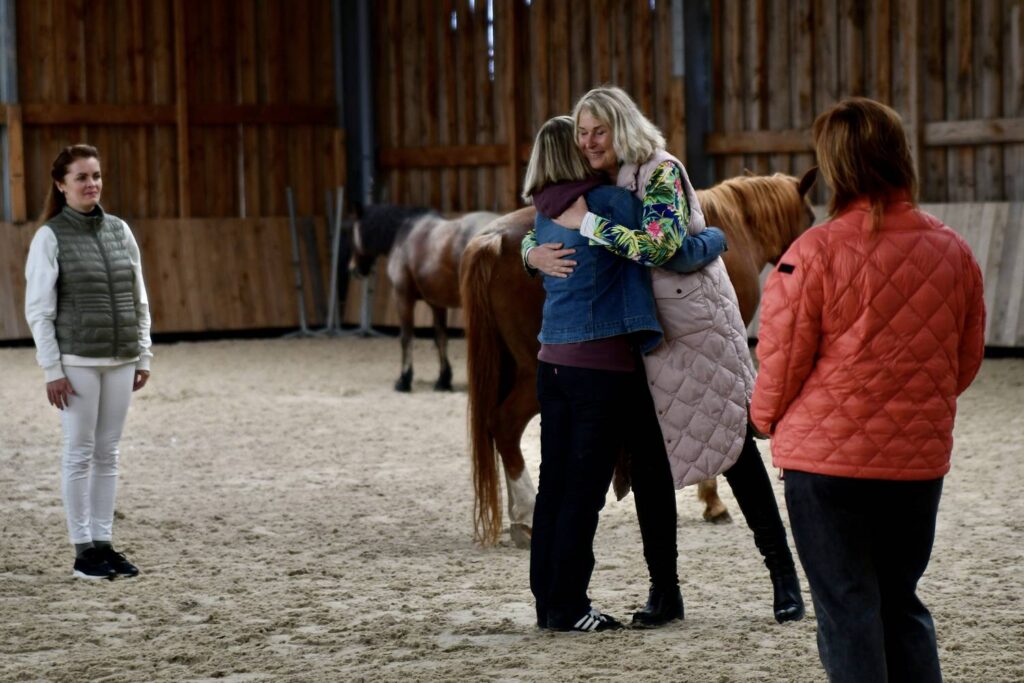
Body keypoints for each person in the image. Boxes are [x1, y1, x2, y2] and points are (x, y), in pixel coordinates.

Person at [524, 86, 804, 627]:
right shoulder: (600, 180)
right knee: (651, 466)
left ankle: (783, 578)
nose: (588, 142)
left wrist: (593, 226)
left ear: (622, 126)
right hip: (641, 342)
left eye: (598, 131)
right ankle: (665, 592)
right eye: (581, 133)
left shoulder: (661, 172)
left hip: (693, 333)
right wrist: (529, 254)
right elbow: (546, 217)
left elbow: (660, 247)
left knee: (734, 449)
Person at [750, 97, 985, 682]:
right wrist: (914, 405)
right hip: (915, 465)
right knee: (901, 603)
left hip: (826, 471)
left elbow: (779, 366)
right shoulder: (955, 251)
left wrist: (763, 420)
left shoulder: (811, 253)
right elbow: (965, 361)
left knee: (847, 611)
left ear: (836, 167)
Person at [524, 116, 726, 632]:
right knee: (585, 494)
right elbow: (669, 250)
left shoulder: (544, 213)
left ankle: (548, 602)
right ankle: (570, 607)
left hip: (552, 362)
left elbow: (531, 242)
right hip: (600, 367)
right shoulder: (611, 204)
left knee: (553, 487)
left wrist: (529, 253)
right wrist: (717, 239)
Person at [25, 144, 153, 580]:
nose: (91, 184)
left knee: (108, 453)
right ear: (61, 185)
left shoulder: (120, 230)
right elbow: (39, 310)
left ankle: (104, 543)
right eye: (81, 177)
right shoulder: (50, 237)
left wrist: (143, 351)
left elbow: (139, 297)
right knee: (79, 453)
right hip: (77, 360)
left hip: (120, 358)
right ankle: (83, 551)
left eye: (95, 175)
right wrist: (52, 370)